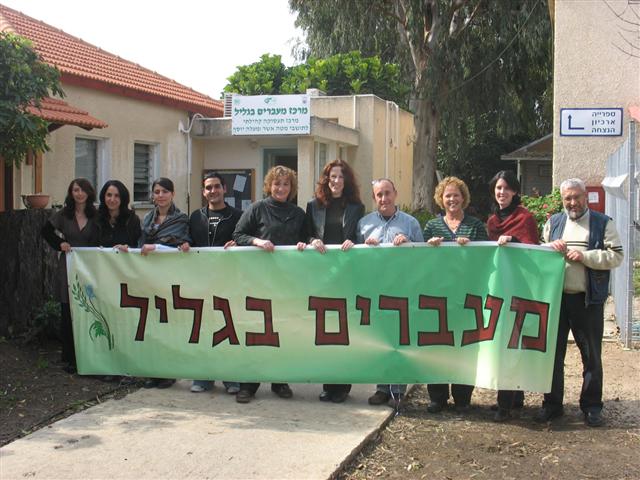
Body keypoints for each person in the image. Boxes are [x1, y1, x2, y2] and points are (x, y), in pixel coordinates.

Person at [535, 178, 623, 427]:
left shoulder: (603, 223)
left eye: (576, 197)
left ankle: (592, 406)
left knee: (591, 355)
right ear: (562, 200)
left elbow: (616, 255)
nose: (572, 202)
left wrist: (585, 256)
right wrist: (549, 247)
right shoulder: (553, 222)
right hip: (556, 299)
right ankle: (552, 405)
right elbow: (540, 252)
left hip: (587, 300)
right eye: (568, 198)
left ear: (585, 197)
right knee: (553, 355)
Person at [233, 165, 307, 403]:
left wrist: (306, 244)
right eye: (277, 183)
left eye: (286, 184)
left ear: (291, 188)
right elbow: (238, 234)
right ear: (269, 185)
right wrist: (257, 241)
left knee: (281, 331)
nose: (281, 188)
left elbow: (308, 238)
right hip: (259, 281)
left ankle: (279, 381)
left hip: (287, 282)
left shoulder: (298, 213)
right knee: (256, 332)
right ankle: (248, 384)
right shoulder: (257, 208)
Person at [423, 176, 488, 413]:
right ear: (441, 199)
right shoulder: (431, 226)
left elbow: (486, 258)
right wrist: (429, 247)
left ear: (463, 198)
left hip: (467, 294)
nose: (452, 199)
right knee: (436, 345)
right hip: (437, 295)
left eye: (456, 195)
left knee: (465, 345)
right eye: (448, 195)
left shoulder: (475, 226)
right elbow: (420, 261)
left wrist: (472, 248)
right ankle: (437, 397)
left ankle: (462, 397)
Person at [357, 178, 424, 408]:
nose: (384, 198)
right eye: (379, 195)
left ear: (395, 194)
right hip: (376, 289)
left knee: (400, 339)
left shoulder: (410, 223)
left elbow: (423, 256)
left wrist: (409, 243)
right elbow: (354, 258)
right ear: (374, 198)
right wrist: (365, 248)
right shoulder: (364, 224)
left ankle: (398, 391)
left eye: (387, 193)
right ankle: (382, 389)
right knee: (381, 340)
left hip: (402, 289)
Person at [305, 159, 365, 403]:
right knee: (324, 331)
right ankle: (328, 384)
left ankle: (342, 387)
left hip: (346, 274)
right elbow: (306, 234)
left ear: (346, 180)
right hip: (322, 275)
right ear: (326, 180)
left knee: (344, 331)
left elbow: (360, 236)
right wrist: (313, 240)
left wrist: (355, 242)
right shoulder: (313, 206)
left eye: (340, 177)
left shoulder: (356, 207)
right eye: (332, 177)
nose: (336, 181)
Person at [486, 170, 539, 421]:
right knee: (502, 343)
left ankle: (505, 404)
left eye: (506, 188)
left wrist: (514, 240)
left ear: (515, 191)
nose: (502, 192)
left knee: (512, 344)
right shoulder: (492, 221)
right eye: (498, 188)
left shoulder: (525, 218)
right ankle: (514, 398)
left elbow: (533, 252)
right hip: (500, 290)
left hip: (520, 290)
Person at [188, 172, 242, 395]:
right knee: (204, 328)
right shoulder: (195, 217)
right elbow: (188, 240)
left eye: (217, 186)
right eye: (208, 187)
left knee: (229, 329)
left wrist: (238, 244)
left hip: (229, 281)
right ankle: (203, 378)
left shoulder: (237, 215)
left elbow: (245, 237)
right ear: (203, 192)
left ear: (224, 189)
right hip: (201, 281)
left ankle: (232, 378)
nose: (213, 191)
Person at [41, 178, 99, 374]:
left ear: (89, 193)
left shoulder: (96, 215)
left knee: (90, 308)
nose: (79, 193)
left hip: (91, 268)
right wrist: (60, 244)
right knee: (68, 312)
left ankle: (91, 354)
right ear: (71, 193)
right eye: (76, 190)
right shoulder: (64, 215)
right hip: (68, 266)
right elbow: (46, 231)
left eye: (83, 190)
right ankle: (70, 358)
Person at [139, 177, 191, 389]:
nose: (160, 195)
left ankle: (169, 372)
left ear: (173, 194)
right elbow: (140, 244)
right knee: (152, 325)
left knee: (169, 325)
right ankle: (153, 372)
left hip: (171, 277)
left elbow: (181, 244)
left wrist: (157, 247)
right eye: (157, 191)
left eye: (165, 191)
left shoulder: (181, 219)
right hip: (150, 277)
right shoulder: (146, 219)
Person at [97, 180, 141, 251]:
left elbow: (138, 245)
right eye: (109, 195)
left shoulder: (132, 220)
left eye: (117, 196)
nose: (112, 199)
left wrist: (128, 247)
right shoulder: (95, 218)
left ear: (123, 198)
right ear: (103, 196)